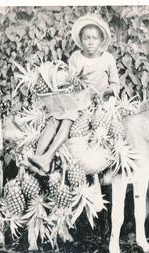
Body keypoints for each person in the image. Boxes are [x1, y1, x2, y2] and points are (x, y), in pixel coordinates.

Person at [29, 15, 120, 173]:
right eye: (86, 38)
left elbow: (115, 84)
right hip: (75, 99)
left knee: (66, 120)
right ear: (81, 40)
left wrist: (105, 91)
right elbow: (70, 82)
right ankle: (37, 158)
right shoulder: (76, 58)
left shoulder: (108, 59)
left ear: (100, 40)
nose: (90, 42)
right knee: (54, 119)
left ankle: (47, 157)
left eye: (94, 38)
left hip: (94, 104)